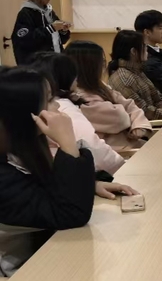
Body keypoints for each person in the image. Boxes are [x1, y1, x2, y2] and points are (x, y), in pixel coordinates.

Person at [0, 67, 137, 276]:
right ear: (22, 114)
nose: (57, 106)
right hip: (25, 270)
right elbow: (69, 214)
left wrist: (91, 185)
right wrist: (67, 140)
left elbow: (42, 188)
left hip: (49, 256)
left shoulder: (18, 151)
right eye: (49, 100)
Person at [27, 52, 125, 175]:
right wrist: (123, 167)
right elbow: (93, 147)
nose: (56, 105)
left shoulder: (60, 102)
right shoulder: (64, 108)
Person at [65, 41, 152, 152]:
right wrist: (130, 115)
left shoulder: (100, 86)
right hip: (119, 153)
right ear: (88, 67)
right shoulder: (79, 99)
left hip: (132, 145)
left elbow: (131, 105)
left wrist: (138, 125)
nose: (104, 67)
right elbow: (121, 118)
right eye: (101, 63)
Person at [108, 30, 162, 120]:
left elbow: (158, 101)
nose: (147, 49)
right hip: (150, 125)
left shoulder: (137, 70)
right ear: (133, 51)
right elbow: (145, 113)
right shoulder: (124, 79)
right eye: (144, 46)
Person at [11, 0, 72, 65]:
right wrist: (51, 28)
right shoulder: (26, 13)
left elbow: (61, 40)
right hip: (36, 65)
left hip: (54, 61)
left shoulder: (49, 12)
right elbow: (26, 40)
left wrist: (63, 30)